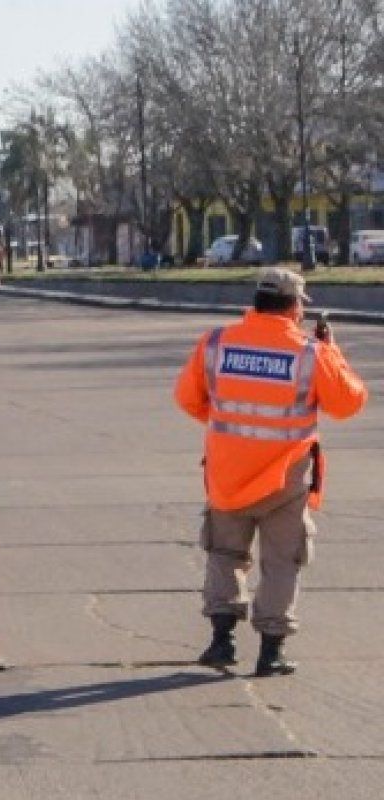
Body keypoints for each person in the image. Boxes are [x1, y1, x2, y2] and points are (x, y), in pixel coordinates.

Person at [175, 267, 367, 677]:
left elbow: (188, 399)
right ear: (295, 307)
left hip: (227, 472)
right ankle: (270, 651)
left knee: (225, 554)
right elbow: (349, 404)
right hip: (285, 478)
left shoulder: (215, 343)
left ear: (257, 302)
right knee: (282, 561)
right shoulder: (309, 353)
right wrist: (331, 350)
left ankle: (221, 641)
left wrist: (231, 431)